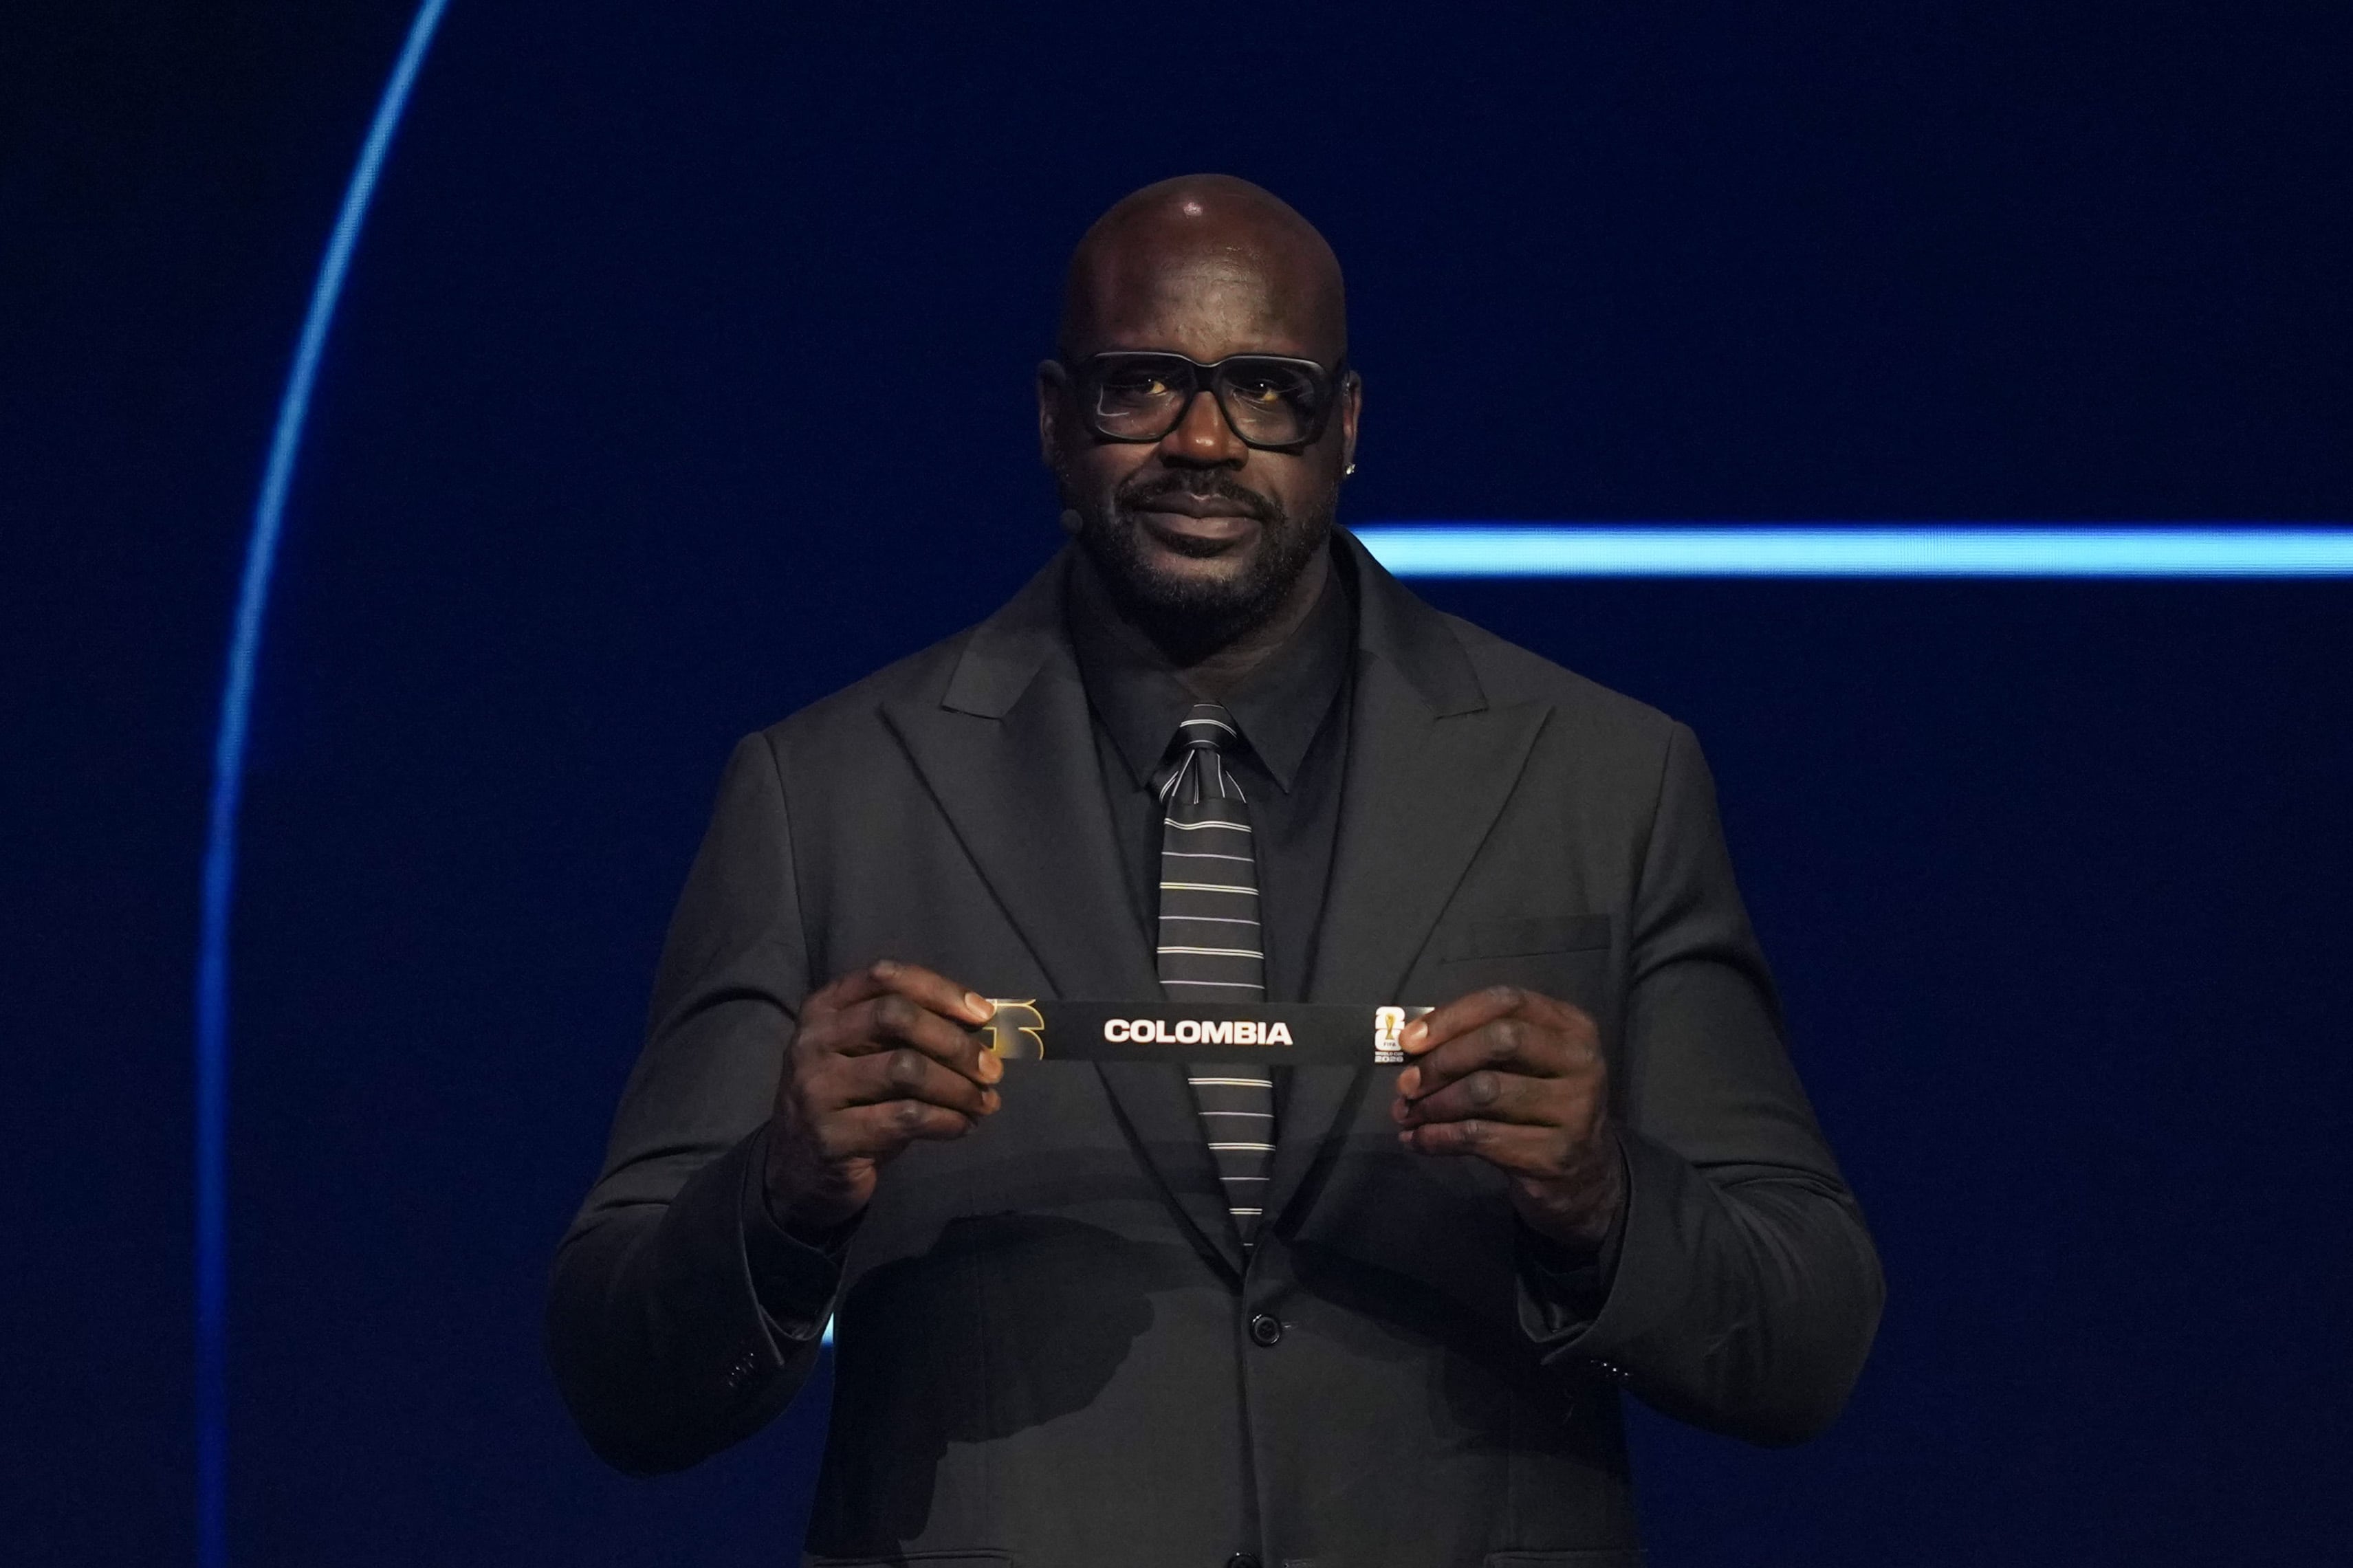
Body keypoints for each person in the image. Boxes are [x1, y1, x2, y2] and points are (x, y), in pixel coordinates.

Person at [548, 175, 1883, 1568]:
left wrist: (1602, 1200)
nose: (1204, 438)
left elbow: (1806, 1336)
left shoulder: (1606, 779)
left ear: (1345, 425)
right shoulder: (824, 794)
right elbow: (618, 1375)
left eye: (1267, 387)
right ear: (1057, 420)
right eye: (1143, 386)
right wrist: (781, 1195)